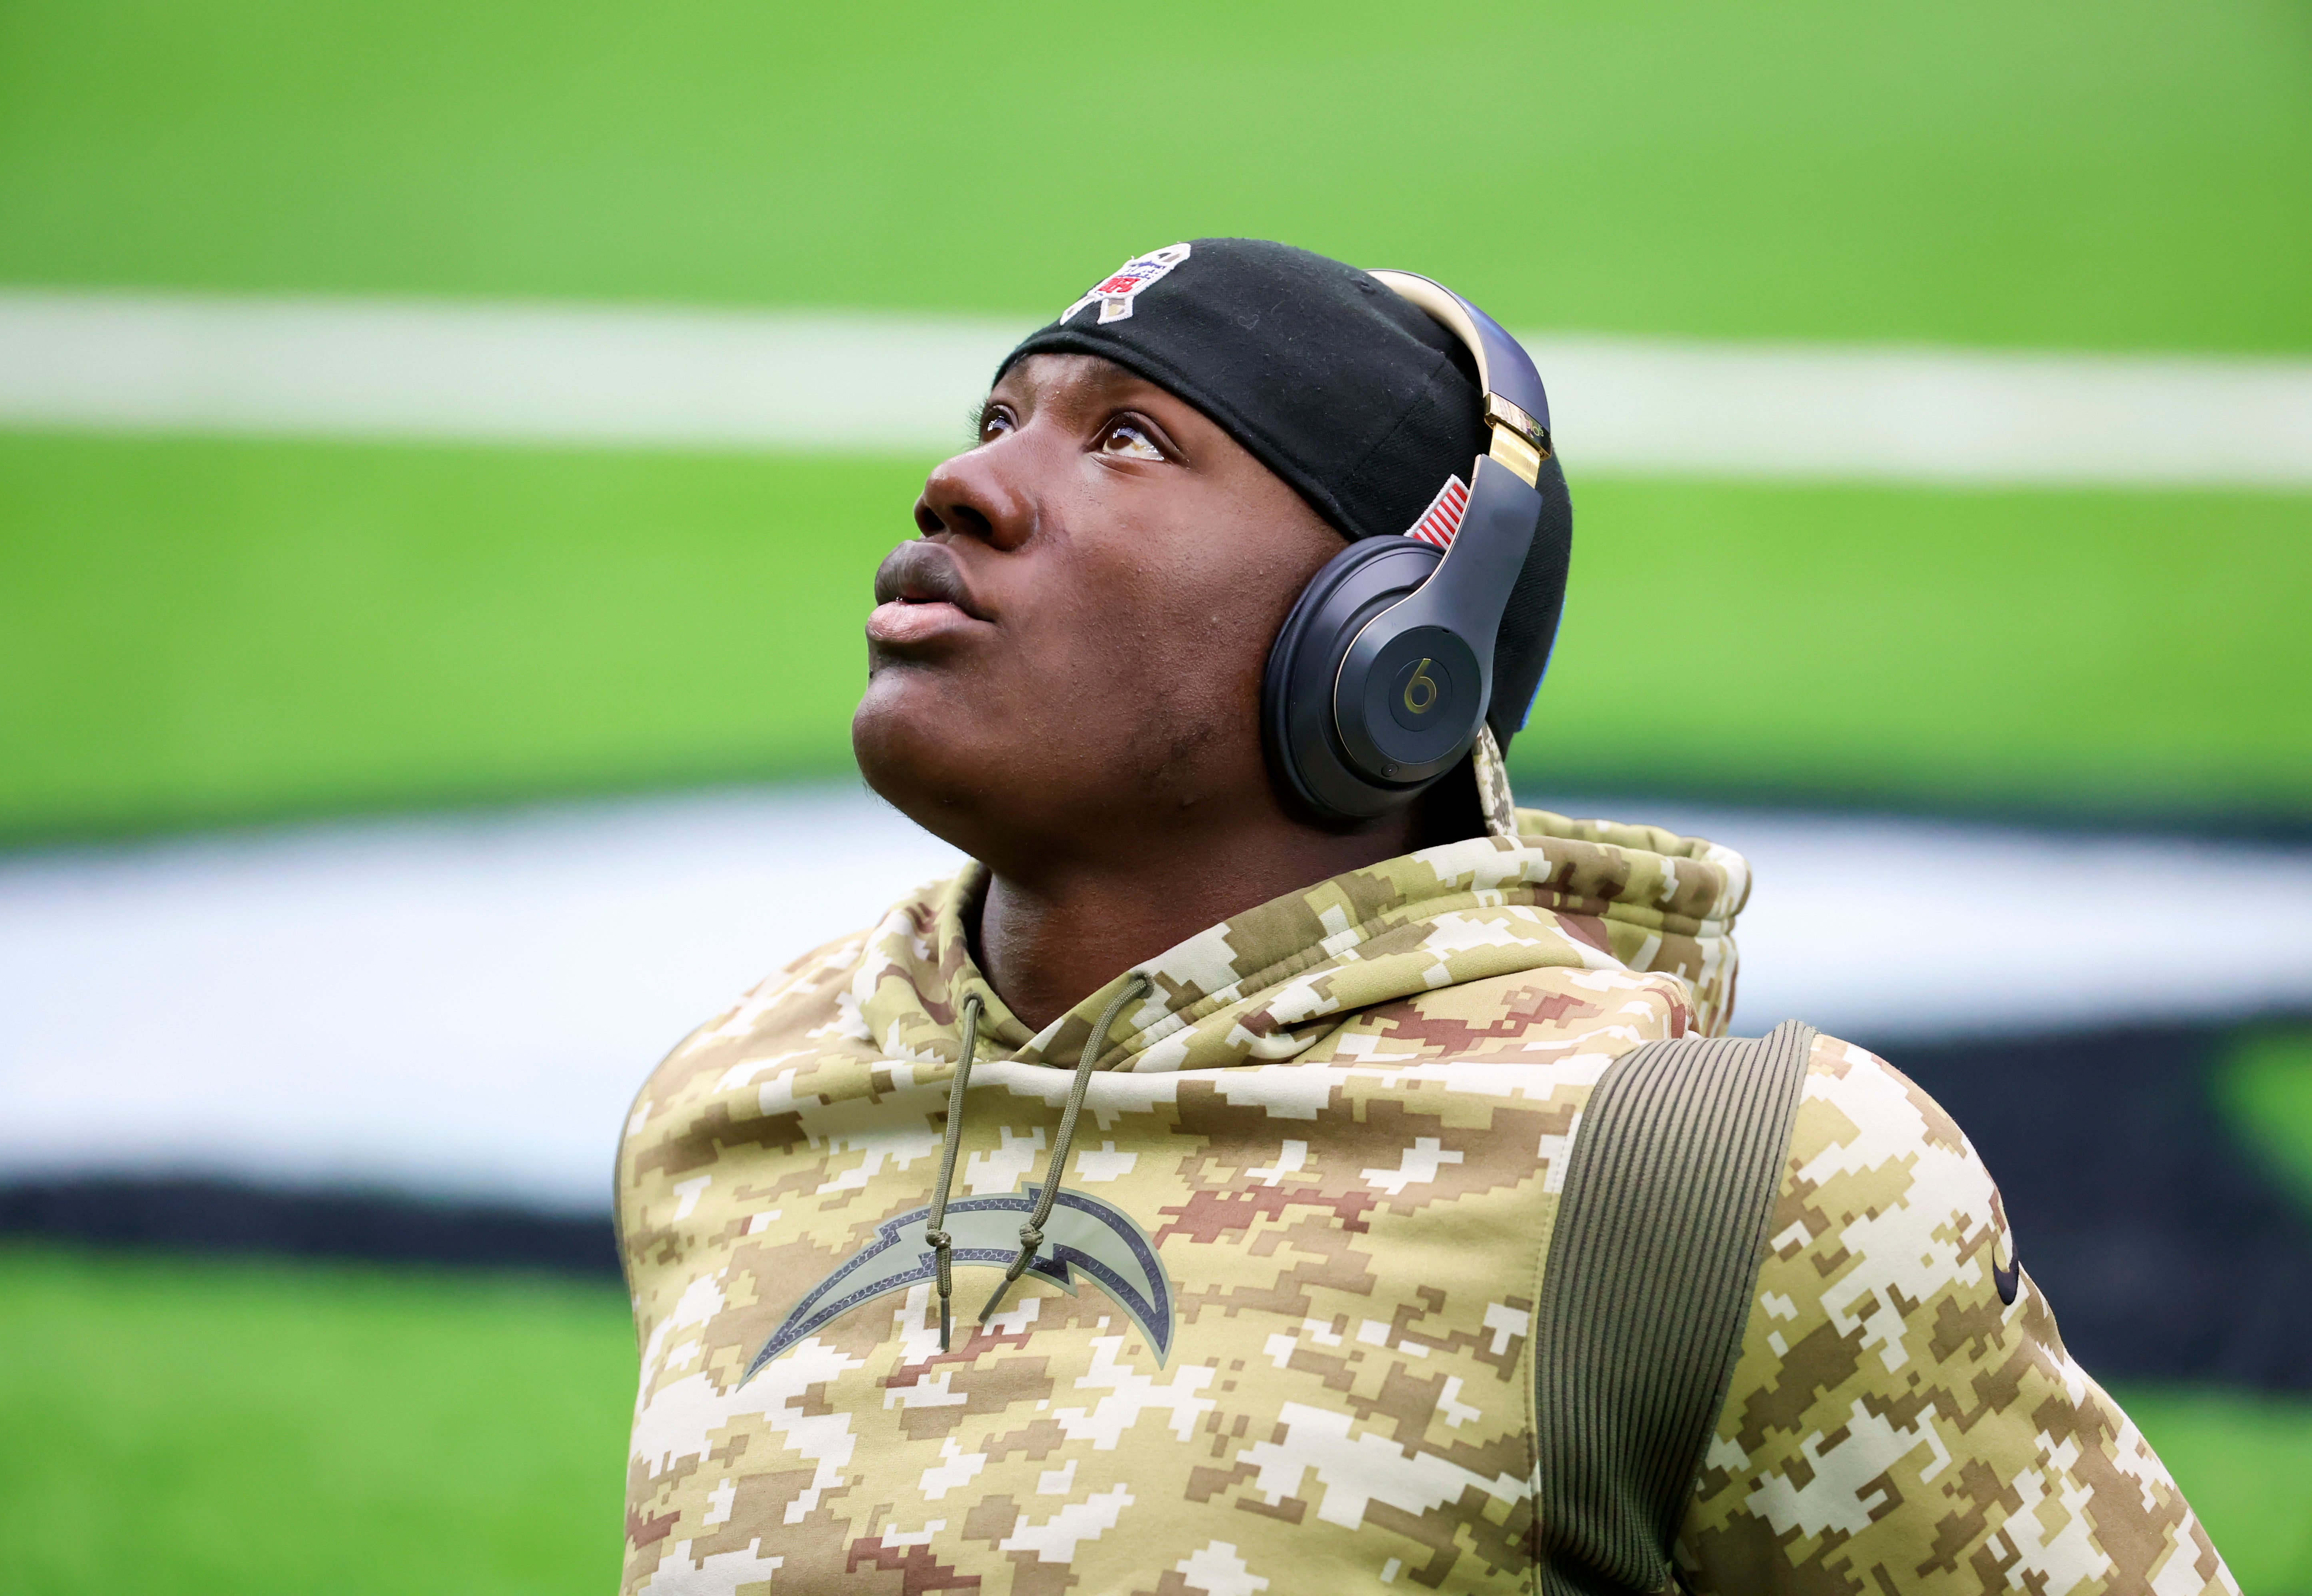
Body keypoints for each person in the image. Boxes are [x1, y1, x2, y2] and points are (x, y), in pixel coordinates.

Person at [613, 239, 2233, 1596]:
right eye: (998, 417)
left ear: (1392, 646)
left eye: (1128, 440)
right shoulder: (740, 1096)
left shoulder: (1725, 1184)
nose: (962, 485)